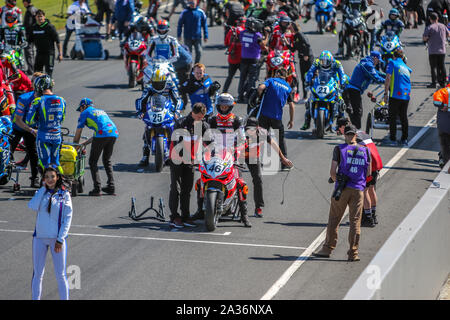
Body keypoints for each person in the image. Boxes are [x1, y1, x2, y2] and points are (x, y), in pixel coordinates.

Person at [312, 124, 371, 261]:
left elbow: (332, 172)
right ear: (356, 135)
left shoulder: (339, 149)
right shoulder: (365, 150)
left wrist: (338, 182)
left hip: (342, 189)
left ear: (345, 135)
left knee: (334, 219)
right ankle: (353, 253)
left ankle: (327, 249)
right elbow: (368, 173)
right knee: (355, 221)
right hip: (358, 189)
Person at [193, 93, 252, 227]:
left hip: (233, 155)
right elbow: (206, 138)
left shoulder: (237, 120)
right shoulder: (212, 119)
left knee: (240, 183)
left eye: (226, 106)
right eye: (222, 106)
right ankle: (200, 210)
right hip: (215, 153)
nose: (224, 108)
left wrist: (238, 154)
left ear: (230, 107)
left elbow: (242, 140)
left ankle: (244, 215)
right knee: (201, 180)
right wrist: (202, 153)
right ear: (218, 106)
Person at [28, 166, 73, 300]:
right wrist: (42, 189)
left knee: (61, 275)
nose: (50, 179)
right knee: (38, 274)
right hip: (39, 238)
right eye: (47, 177)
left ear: (57, 177)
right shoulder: (41, 193)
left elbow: (68, 218)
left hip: (56, 240)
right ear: (44, 179)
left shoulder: (64, 194)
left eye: (52, 176)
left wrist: (60, 239)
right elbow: (32, 206)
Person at [168, 102, 209, 228]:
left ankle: (186, 216)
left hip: (190, 161)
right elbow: (177, 145)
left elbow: (210, 142)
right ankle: (175, 217)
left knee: (187, 189)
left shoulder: (203, 125)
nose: (200, 120)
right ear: (193, 113)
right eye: (198, 117)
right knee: (176, 189)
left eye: (202, 118)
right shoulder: (181, 123)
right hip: (177, 159)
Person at [336, 117, 383, 227]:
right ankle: (373, 215)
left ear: (343, 127)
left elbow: (356, 155)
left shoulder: (352, 137)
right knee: (371, 189)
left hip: (370, 164)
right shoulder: (362, 132)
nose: (341, 131)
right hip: (377, 161)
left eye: (340, 128)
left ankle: (367, 218)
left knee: (365, 191)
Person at [243, 116, 293, 217]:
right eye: (248, 129)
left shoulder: (263, 133)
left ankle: (258, 207)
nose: (250, 131)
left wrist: (283, 159)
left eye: (252, 129)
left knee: (257, 179)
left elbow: (274, 145)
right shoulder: (240, 133)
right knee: (234, 178)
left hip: (253, 156)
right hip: (239, 155)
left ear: (257, 128)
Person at [136, 67, 183, 166]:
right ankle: (145, 156)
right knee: (147, 130)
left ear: (164, 81)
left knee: (177, 130)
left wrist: (177, 111)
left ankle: (176, 154)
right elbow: (142, 100)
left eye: (160, 83)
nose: (157, 85)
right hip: (153, 110)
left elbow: (178, 99)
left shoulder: (170, 85)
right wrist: (140, 111)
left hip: (168, 110)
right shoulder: (149, 87)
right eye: (155, 83)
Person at [73, 98, 119, 196]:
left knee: (93, 161)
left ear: (83, 106)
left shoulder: (84, 113)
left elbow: (78, 133)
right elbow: (99, 134)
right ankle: (111, 187)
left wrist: (75, 146)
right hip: (114, 132)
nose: (80, 111)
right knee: (107, 160)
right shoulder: (101, 111)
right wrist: (83, 144)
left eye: (80, 109)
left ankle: (97, 188)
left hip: (102, 134)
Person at [253, 68, 294, 171]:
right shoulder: (288, 88)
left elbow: (260, 88)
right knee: (281, 139)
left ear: (277, 74)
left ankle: (261, 162)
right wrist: (291, 120)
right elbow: (291, 106)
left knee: (261, 138)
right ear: (285, 76)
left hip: (264, 115)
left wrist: (258, 97)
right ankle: (284, 164)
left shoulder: (271, 80)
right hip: (277, 117)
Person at [26, 74, 66, 172]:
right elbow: (62, 119)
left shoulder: (37, 101)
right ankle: (61, 183)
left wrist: (38, 118)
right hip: (57, 135)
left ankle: (48, 185)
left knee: (45, 163)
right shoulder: (62, 100)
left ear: (39, 87)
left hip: (43, 136)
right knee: (56, 162)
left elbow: (29, 121)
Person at [9, 72, 42, 187]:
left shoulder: (45, 99)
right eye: (34, 81)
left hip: (31, 129)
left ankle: (35, 179)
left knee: (33, 153)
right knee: (8, 149)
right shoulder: (24, 98)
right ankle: (3, 172)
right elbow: (18, 120)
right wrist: (31, 130)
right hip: (19, 127)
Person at [302, 50, 347, 130]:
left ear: (331, 60)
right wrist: (307, 80)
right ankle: (306, 122)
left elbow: (342, 74)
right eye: (323, 61)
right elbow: (310, 72)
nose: (325, 63)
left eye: (327, 61)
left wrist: (342, 83)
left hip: (333, 83)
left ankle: (341, 126)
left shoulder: (337, 63)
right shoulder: (317, 62)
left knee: (341, 103)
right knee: (309, 101)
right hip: (320, 83)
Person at [345, 51, 385, 129]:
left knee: (357, 112)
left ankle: (352, 128)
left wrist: (387, 75)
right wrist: (387, 81)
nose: (378, 63)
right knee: (358, 113)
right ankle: (354, 130)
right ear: (375, 58)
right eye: (378, 60)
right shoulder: (368, 65)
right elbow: (375, 77)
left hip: (353, 90)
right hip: (354, 90)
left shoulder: (367, 63)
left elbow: (377, 73)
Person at [383, 47, 411, 146]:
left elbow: (388, 78)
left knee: (392, 116)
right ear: (403, 57)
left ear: (394, 56)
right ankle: (404, 139)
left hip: (395, 94)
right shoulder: (406, 67)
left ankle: (393, 139)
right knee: (403, 116)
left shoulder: (392, 63)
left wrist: (385, 93)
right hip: (406, 94)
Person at [28, 10, 63, 77]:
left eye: (41, 16)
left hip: (49, 54)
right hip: (39, 53)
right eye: (38, 16)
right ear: (35, 17)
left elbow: (58, 41)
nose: (40, 18)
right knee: (37, 73)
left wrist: (60, 54)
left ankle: (49, 86)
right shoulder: (33, 28)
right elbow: (29, 41)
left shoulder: (50, 27)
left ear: (44, 17)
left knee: (48, 72)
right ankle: (38, 86)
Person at [238, 17, 264, 103]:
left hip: (244, 58)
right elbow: (263, 45)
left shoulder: (242, 33)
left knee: (242, 78)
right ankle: (248, 96)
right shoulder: (257, 35)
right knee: (252, 79)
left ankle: (240, 96)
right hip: (254, 59)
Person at [423, 12, 450, 89]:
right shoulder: (443, 26)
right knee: (442, 66)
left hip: (433, 50)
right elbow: (448, 34)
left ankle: (434, 83)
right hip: (442, 50)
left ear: (430, 19)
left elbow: (425, 37)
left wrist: (428, 39)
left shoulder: (430, 27)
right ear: (437, 18)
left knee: (433, 67)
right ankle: (444, 81)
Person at [291, 22, 314, 103]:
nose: (289, 28)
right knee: (303, 78)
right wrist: (286, 42)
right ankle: (305, 97)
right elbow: (293, 49)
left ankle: (313, 95)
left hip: (308, 59)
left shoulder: (300, 34)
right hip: (301, 59)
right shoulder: (295, 36)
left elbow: (307, 44)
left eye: (291, 27)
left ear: (294, 28)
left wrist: (306, 55)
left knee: (311, 77)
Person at [223, 16, 244, 94]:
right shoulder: (244, 31)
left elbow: (226, 43)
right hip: (242, 58)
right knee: (244, 78)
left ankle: (224, 92)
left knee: (230, 76)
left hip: (232, 57)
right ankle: (241, 94)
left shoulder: (231, 31)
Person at [433, 77, 450, 174]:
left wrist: (443, 106)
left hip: (443, 125)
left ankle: (446, 164)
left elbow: (436, 102)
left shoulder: (443, 91)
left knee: (445, 146)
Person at [22, 0, 37, 75]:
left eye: (23, 2)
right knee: (32, 52)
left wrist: (22, 27)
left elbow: (28, 24)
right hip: (35, 34)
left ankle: (31, 69)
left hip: (30, 35)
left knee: (28, 52)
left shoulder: (29, 11)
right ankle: (34, 68)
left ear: (26, 2)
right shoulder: (35, 9)